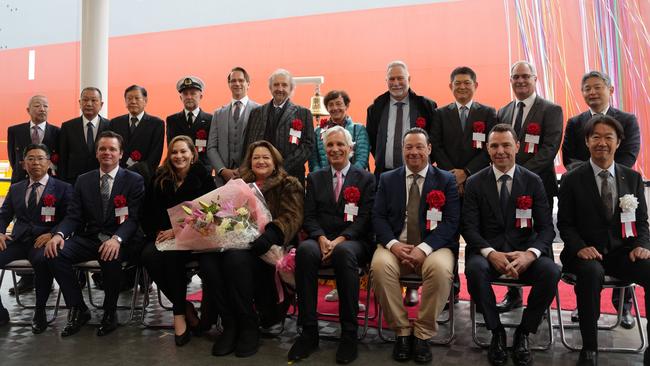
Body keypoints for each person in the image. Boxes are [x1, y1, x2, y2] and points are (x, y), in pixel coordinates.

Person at [462, 123, 560, 366]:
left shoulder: (533, 181)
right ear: (487, 149)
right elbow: (469, 228)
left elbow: (547, 228)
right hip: (488, 252)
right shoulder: (475, 182)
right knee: (474, 270)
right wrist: (490, 253)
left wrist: (530, 254)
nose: (500, 151)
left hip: (524, 252)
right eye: (494, 146)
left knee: (551, 271)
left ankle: (524, 332)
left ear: (517, 146)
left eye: (506, 145)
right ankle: (496, 332)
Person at [557, 115, 650, 366]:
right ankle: (589, 348)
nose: (602, 142)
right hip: (585, 254)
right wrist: (579, 247)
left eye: (608, 137)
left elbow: (642, 221)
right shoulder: (572, 179)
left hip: (623, 253)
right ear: (587, 141)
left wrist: (643, 245)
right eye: (595, 137)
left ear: (618, 142)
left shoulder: (631, 178)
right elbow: (564, 223)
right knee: (590, 274)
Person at [200, 140, 303, 358]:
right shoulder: (239, 185)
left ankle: (248, 325)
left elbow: (292, 216)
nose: (261, 161)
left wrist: (272, 234)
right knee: (207, 262)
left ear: (275, 162)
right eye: (256, 157)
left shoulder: (288, 184)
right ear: (250, 161)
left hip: (267, 248)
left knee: (235, 261)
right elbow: (223, 212)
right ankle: (230, 324)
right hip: (235, 242)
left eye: (266, 157)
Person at [371, 127, 459, 363]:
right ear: (402, 151)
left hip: (433, 247)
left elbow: (451, 222)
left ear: (429, 149)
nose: (414, 152)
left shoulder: (446, 180)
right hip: (395, 245)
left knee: (440, 270)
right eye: (409, 147)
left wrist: (424, 249)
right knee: (379, 268)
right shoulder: (388, 179)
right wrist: (393, 245)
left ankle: (422, 334)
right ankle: (401, 331)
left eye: (420, 146)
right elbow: (377, 217)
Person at [44, 131, 144, 337]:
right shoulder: (83, 180)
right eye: (102, 149)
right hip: (91, 237)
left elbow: (134, 219)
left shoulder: (134, 180)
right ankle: (78, 308)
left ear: (121, 153)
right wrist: (59, 234)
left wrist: (117, 239)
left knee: (111, 256)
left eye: (112, 149)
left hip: (120, 239)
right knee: (55, 253)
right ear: (97, 153)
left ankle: (110, 312)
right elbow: (73, 216)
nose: (107, 152)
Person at [561, 71, 641, 327]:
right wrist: (588, 178)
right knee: (588, 258)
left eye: (597, 87)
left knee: (623, 243)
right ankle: (586, 307)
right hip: (585, 193)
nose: (592, 93)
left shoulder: (627, 120)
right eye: (587, 89)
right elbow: (569, 157)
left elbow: (628, 155)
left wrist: (609, 173)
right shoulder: (576, 123)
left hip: (618, 190)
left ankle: (623, 306)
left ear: (611, 89)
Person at [289, 126, 375, 364]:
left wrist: (340, 240)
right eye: (330, 145)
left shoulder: (366, 178)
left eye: (340, 145)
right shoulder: (315, 178)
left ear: (350, 148)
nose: (335, 149)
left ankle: (349, 334)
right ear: (324, 149)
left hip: (354, 241)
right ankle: (309, 332)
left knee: (344, 254)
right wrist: (320, 238)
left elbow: (366, 218)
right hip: (322, 239)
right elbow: (309, 215)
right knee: (305, 252)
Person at [496, 61, 563, 313]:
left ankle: (543, 297)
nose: (520, 81)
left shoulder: (551, 109)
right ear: (510, 80)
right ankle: (513, 294)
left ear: (535, 79)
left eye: (525, 76)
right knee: (510, 236)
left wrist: (521, 176)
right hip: (506, 188)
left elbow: (549, 149)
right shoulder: (503, 112)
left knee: (540, 238)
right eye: (515, 77)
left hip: (539, 187)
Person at [431, 66, 498, 304]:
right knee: (448, 236)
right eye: (457, 83)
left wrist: (467, 173)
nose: (462, 87)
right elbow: (436, 146)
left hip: (478, 183)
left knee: (476, 235)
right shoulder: (440, 114)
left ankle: (479, 294)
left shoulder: (489, 113)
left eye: (467, 83)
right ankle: (451, 290)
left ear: (475, 85)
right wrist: (453, 176)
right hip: (447, 184)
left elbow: (491, 147)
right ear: (450, 86)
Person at [140, 135, 216, 346]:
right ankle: (183, 304)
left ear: (193, 154)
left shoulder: (204, 178)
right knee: (148, 255)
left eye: (184, 151)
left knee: (173, 255)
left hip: (194, 237)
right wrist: (157, 231)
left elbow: (208, 215)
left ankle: (179, 316)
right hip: (163, 235)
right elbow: (147, 212)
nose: (179, 156)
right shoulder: (159, 177)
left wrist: (176, 231)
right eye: (174, 152)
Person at [0, 144, 72, 331]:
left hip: (43, 241)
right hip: (18, 240)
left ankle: (40, 311)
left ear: (48, 163)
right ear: (23, 164)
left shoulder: (63, 188)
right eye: (30, 159)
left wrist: (54, 233)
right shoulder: (16, 188)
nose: (35, 163)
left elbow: (70, 218)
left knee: (43, 260)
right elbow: (3, 215)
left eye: (40, 158)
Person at [6, 95, 60, 296]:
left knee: (42, 231)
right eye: (37, 105)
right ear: (28, 109)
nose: (42, 109)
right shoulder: (15, 130)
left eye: (46, 105)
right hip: (22, 184)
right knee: (22, 229)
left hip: (49, 186)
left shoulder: (57, 131)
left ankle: (45, 279)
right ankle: (26, 279)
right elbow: (14, 158)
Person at [241, 69, 315, 186]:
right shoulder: (256, 113)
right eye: (276, 85)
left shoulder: (303, 113)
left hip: (290, 178)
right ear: (270, 88)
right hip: (258, 177)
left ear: (291, 88)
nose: (280, 89)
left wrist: (281, 167)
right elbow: (248, 144)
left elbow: (308, 146)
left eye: (284, 85)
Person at [366, 61, 437, 178]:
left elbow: (434, 140)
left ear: (409, 79)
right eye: (392, 79)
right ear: (386, 81)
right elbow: (373, 142)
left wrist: (424, 161)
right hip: (385, 174)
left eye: (400, 78)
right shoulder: (375, 108)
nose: (396, 83)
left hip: (419, 174)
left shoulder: (426, 106)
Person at [208, 67, 260, 186]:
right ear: (229, 84)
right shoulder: (218, 114)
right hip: (223, 180)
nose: (237, 83)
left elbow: (262, 145)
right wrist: (222, 170)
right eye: (233, 81)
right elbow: (211, 147)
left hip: (251, 177)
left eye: (241, 80)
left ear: (248, 84)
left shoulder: (259, 111)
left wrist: (246, 170)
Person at [58, 87, 111, 184]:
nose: (89, 104)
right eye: (85, 100)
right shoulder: (68, 127)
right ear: (80, 102)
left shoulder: (110, 125)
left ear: (101, 104)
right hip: (74, 181)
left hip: (102, 179)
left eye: (94, 100)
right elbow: (63, 158)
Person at [309, 90, 370, 172]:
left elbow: (362, 159)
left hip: (353, 180)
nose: (335, 108)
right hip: (324, 181)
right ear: (327, 108)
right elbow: (313, 161)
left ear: (347, 105)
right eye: (331, 105)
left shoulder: (359, 129)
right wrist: (321, 178)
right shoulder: (318, 131)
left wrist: (348, 177)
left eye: (338, 104)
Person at [109, 85, 165, 172]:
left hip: (143, 176)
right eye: (129, 98)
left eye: (137, 98)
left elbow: (155, 156)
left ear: (145, 101)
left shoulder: (157, 124)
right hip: (117, 174)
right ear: (125, 101)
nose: (133, 101)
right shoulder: (115, 123)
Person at [165, 76, 213, 175]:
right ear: (180, 97)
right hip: (179, 171)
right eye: (185, 94)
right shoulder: (172, 120)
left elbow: (212, 149)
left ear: (200, 96)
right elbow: (171, 148)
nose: (189, 97)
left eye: (193, 93)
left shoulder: (211, 120)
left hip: (203, 171)